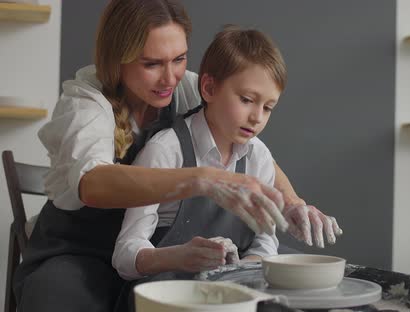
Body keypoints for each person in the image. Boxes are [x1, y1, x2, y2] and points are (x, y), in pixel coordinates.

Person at [12, 1, 342, 312]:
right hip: (84, 248)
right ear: (117, 59)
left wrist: (292, 201)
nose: (170, 77)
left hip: (160, 247)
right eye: (152, 63)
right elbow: (92, 184)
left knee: (296, 281)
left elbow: (253, 149)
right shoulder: (85, 103)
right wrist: (204, 180)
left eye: (180, 58)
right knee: (58, 295)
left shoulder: (184, 86)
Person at [112, 25, 287, 281]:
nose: (257, 117)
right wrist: (177, 256)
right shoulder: (165, 151)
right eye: (247, 100)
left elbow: (265, 240)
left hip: (230, 288)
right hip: (166, 290)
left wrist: (239, 271)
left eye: (268, 107)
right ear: (209, 88)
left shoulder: (258, 157)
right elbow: (124, 255)